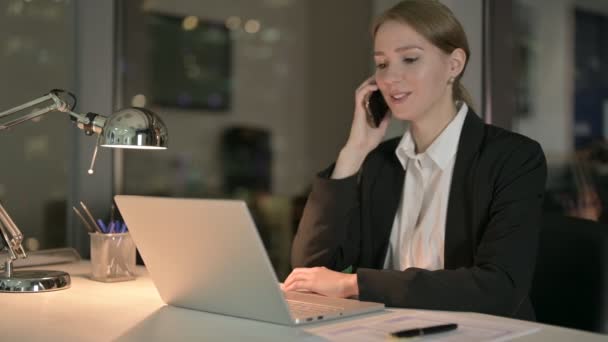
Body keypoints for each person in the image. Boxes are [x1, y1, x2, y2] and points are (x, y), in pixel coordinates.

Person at [283, 0, 547, 320]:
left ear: (454, 64)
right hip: (387, 331)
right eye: (382, 64)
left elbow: (499, 287)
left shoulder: (513, 158)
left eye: (409, 59)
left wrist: (355, 284)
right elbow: (310, 268)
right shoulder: (378, 161)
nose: (391, 76)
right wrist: (353, 151)